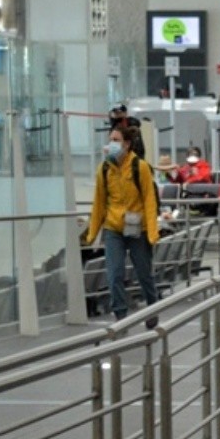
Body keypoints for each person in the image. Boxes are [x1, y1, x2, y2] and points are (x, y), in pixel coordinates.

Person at [82, 124, 161, 324]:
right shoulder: (104, 169)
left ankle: (152, 310)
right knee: (114, 273)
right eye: (110, 140)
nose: (111, 144)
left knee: (144, 274)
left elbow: (149, 200)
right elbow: (99, 202)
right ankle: (120, 316)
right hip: (113, 228)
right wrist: (92, 233)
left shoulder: (140, 167)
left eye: (116, 140)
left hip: (138, 228)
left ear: (127, 144)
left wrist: (152, 231)